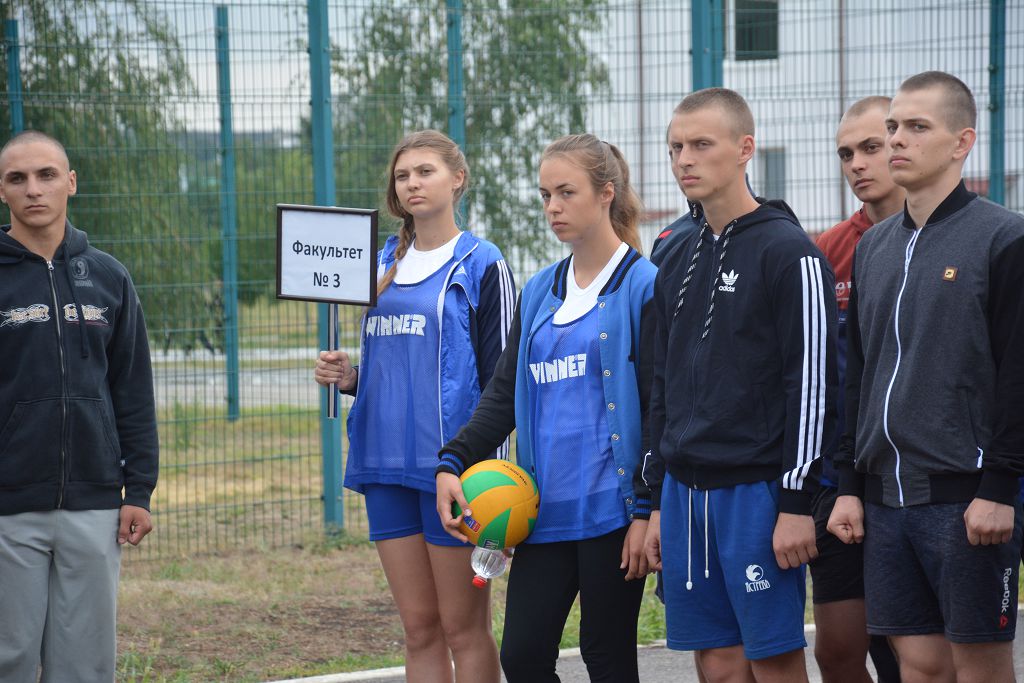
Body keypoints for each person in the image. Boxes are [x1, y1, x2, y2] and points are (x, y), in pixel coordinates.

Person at [435, 133, 656, 683]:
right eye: (545, 195)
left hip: (613, 512)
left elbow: (661, 409)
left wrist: (647, 511)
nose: (552, 207)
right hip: (543, 512)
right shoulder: (540, 290)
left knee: (607, 658)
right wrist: (452, 460)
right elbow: (504, 394)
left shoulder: (643, 285)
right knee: (524, 657)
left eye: (566, 192)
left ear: (606, 193)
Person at [828, 71, 1024, 683]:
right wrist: (849, 485)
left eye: (917, 127)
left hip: (968, 497)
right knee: (920, 666)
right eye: (893, 127)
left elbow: (1018, 374)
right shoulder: (873, 248)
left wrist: (1000, 488)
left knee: (981, 667)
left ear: (962, 142)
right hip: (884, 500)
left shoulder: (1004, 237)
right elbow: (859, 378)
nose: (896, 140)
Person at [642, 88, 838, 683]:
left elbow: (813, 386)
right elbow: (661, 383)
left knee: (773, 662)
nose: (685, 159)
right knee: (718, 666)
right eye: (675, 147)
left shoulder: (789, 252)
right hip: (684, 494)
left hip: (757, 494)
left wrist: (796, 503)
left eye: (701, 144)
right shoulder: (673, 254)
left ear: (745, 148)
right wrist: (656, 501)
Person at [313, 129, 514, 683]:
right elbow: (390, 369)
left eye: (425, 171)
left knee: (463, 629)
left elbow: (503, 385)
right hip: (385, 464)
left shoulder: (483, 262)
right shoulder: (378, 262)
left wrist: (493, 485)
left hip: (453, 472)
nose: (412, 183)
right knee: (420, 629)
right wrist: (349, 378)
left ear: (458, 179)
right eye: (402, 175)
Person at [0, 130, 159, 681]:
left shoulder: (109, 278)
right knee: (9, 657)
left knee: (85, 665)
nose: (33, 189)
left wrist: (139, 490)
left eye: (46, 175)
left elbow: (133, 391)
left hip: (95, 503)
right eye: (17, 178)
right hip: (8, 506)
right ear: (1, 191)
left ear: (70, 182)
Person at [810, 96, 903, 683]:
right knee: (838, 653)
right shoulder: (826, 250)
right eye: (846, 154)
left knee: (912, 652)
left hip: (916, 478)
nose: (858, 164)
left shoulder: (962, 237)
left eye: (871, 148)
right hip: (838, 479)